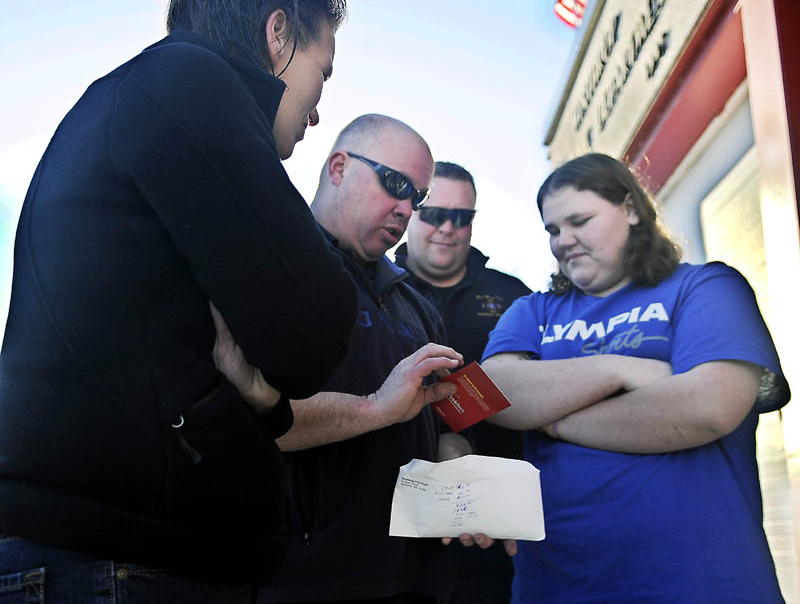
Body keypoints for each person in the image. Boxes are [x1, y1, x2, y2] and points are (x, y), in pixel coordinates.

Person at [0, 0, 359, 602]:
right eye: (324, 74)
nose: (316, 113)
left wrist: (266, 400)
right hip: (121, 558)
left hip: (112, 549)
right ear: (278, 31)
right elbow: (314, 333)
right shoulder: (190, 83)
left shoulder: (149, 93)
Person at [214, 113, 512, 604]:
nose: (405, 208)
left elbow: (452, 426)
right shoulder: (268, 266)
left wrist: (461, 479)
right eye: (395, 184)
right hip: (304, 581)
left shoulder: (416, 303)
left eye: (417, 197)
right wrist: (375, 405)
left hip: (418, 579)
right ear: (338, 167)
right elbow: (235, 422)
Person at [481, 153, 790, 603]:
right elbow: (493, 392)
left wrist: (550, 416)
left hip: (702, 582)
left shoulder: (705, 288)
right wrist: (619, 370)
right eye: (552, 229)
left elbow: (707, 408)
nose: (563, 240)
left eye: (579, 220)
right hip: (559, 585)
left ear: (629, 208)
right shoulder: (534, 310)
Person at [395, 161, 531, 604]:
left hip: (491, 526)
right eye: (435, 213)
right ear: (412, 211)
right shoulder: (373, 286)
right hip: (394, 527)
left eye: (463, 217)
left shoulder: (514, 297)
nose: (448, 227)